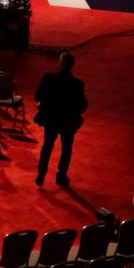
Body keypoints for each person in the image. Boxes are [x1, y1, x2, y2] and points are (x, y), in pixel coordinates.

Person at [33, 51, 88, 187]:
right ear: (72, 65)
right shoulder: (77, 84)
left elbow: (38, 96)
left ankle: (41, 174)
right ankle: (61, 176)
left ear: (60, 63)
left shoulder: (48, 78)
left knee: (47, 145)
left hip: (51, 118)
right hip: (68, 120)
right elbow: (82, 105)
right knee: (66, 148)